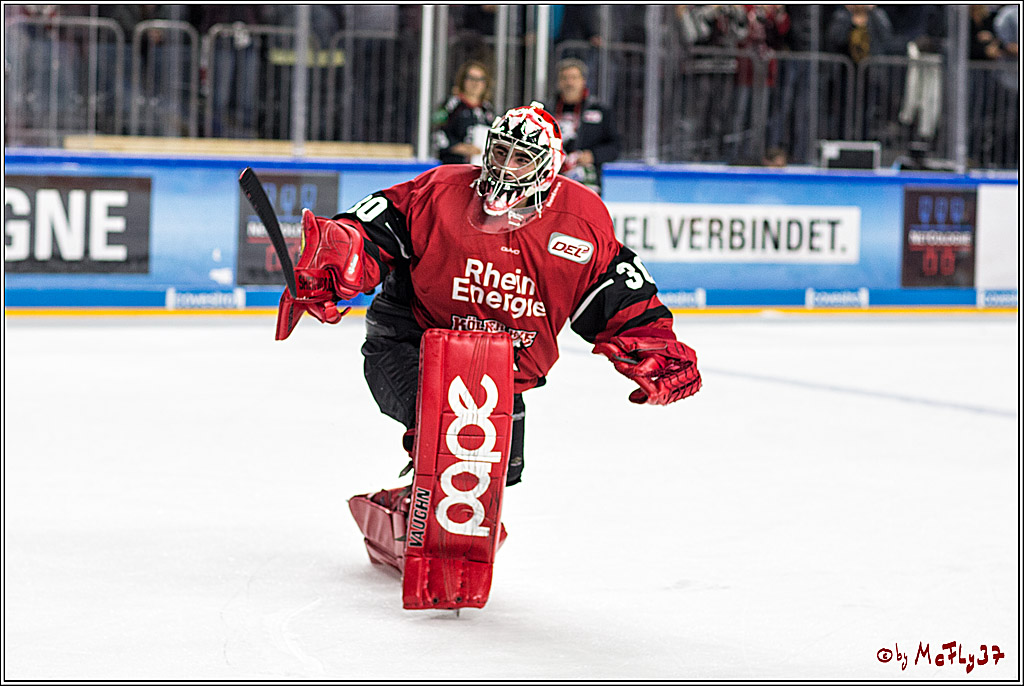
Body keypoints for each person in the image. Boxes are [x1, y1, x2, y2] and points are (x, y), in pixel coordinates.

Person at [275, 102, 702, 488]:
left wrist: (656, 345)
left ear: (547, 166)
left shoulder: (581, 219)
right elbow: (370, 228)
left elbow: (620, 293)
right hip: (411, 340)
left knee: (499, 473)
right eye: (500, 151)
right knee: (448, 437)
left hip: (500, 370)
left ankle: (421, 504)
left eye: (521, 158)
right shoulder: (441, 189)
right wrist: (335, 262)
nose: (504, 167)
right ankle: (422, 500)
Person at [551, 58, 620, 195]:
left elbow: (615, 146)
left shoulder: (600, 110)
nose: (569, 83)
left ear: (583, 80)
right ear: (558, 82)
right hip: (552, 181)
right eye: (565, 78)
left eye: (574, 78)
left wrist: (593, 156)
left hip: (588, 183)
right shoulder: (546, 110)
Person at [433, 60, 496, 165]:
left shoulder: (487, 110)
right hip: (453, 166)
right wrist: (460, 148)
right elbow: (437, 131)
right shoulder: (450, 105)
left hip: (479, 167)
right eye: (471, 78)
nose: (475, 84)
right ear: (463, 81)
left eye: (480, 79)